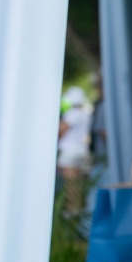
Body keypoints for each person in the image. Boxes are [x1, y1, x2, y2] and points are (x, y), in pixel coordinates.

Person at [57, 86, 93, 214]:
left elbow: (62, 129)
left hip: (69, 152)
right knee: (80, 186)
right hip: (82, 151)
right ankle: (80, 213)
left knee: (70, 187)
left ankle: (72, 214)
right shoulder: (85, 114)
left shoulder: (72, 114)